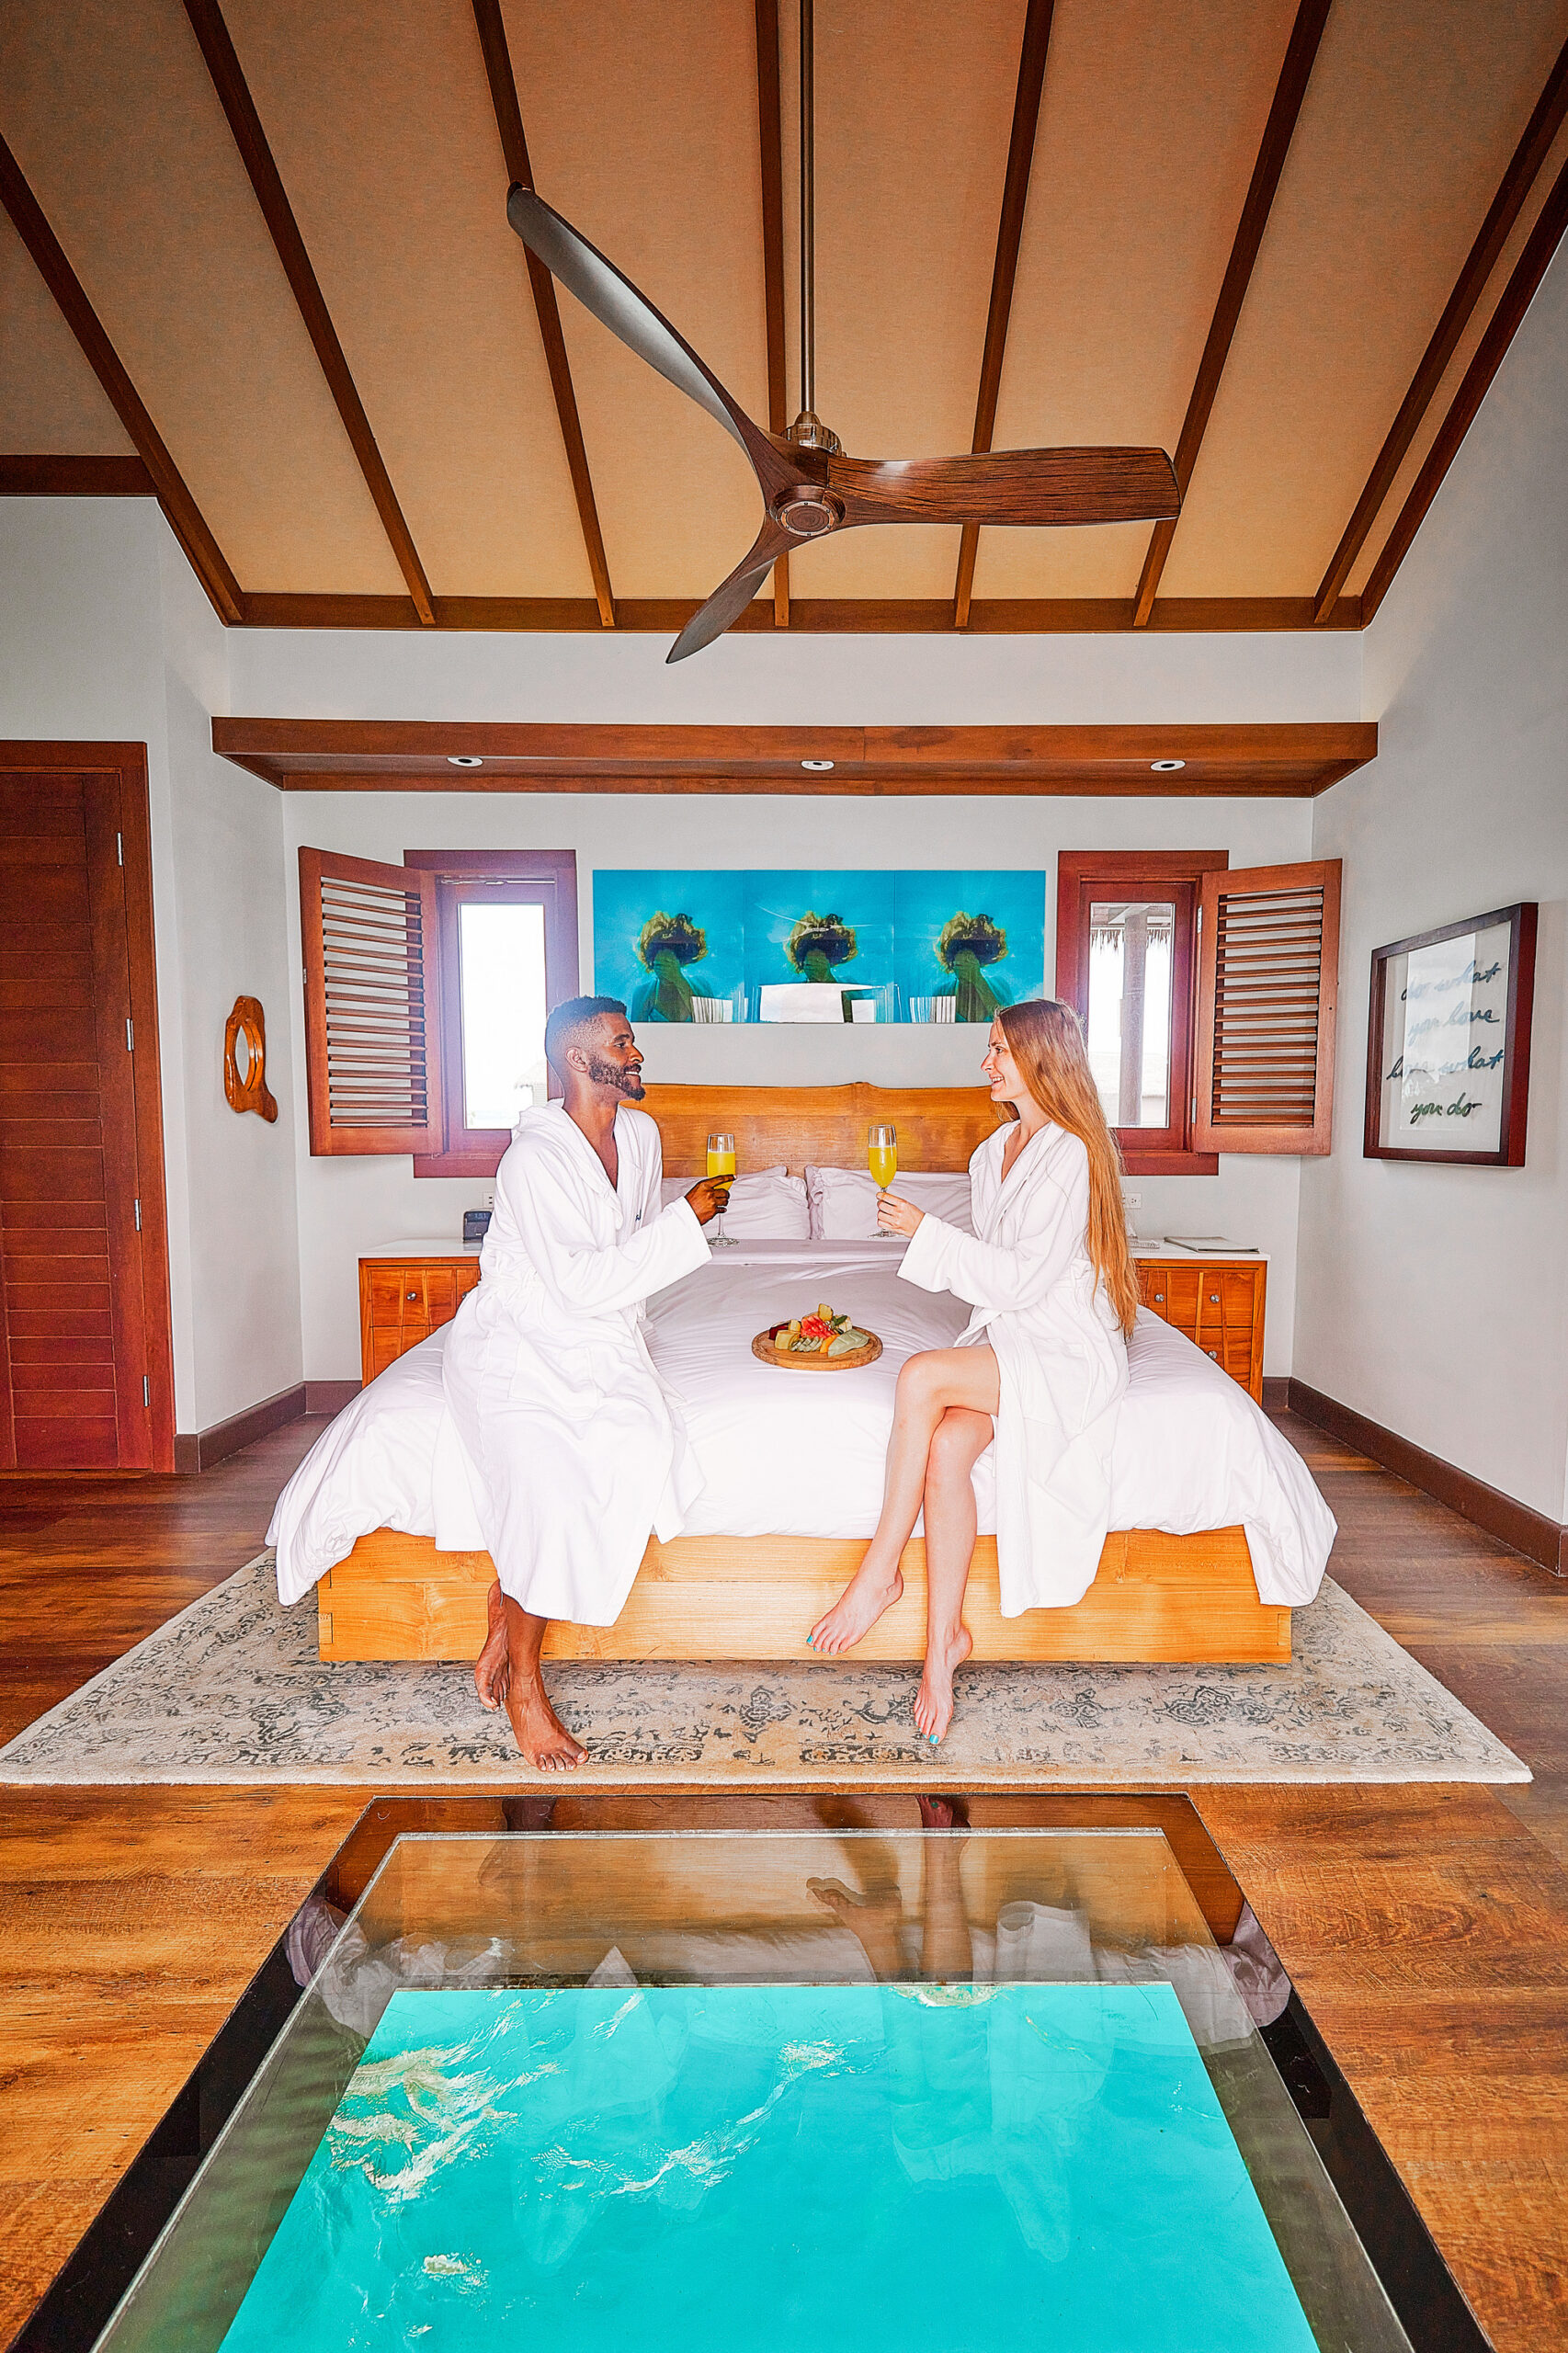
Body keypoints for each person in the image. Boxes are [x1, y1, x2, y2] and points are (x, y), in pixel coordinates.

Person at [807, 998, 1137, 1744]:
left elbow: (1022, 1281)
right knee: (948, 1448)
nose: (985, 1063)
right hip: (1012, 1333)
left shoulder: (1072, 1154)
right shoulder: (992, 1155)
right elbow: (989, 1284)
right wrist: (935, 1235)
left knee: (922, 1375)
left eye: (998, 1050)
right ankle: (942, 1644)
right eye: (989, 1049)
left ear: (1039, 1061)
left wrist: (927, 1232)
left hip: (1062, 1347)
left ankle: (879, 1574)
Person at [443, 995, 732, 1770]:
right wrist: (688, 1220)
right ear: (577, 1059)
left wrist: (674, 1225)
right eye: (622, 1043)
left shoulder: (639, 1135)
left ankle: (510, 1603)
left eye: (633, 1042)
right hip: (523, 1336)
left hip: (600, 1331)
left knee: (636, 1437)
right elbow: (572, 1284)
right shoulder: (531, 1159)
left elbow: (631, 1244)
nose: (636, 1055)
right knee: (546, 1467)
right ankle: (527, 1688)